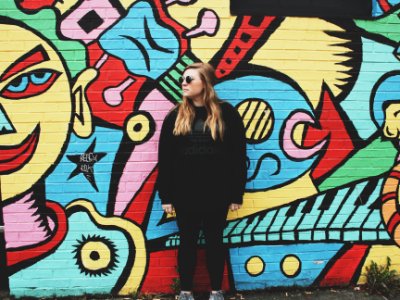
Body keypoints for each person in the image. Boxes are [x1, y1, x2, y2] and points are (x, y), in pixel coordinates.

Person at [157, 62, 247, 300]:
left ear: (205, 83)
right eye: (182, 80)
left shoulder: (227, 113)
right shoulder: (175, 116)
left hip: (217, 192)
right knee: (187, 242)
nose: (183, 84)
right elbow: (165, 159)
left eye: (189, 79)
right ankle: (185, 292)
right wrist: (165, 195)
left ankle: (216, 291)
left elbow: (238, 156)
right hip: (184, 193)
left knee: (215, 241)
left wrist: (236, 193)